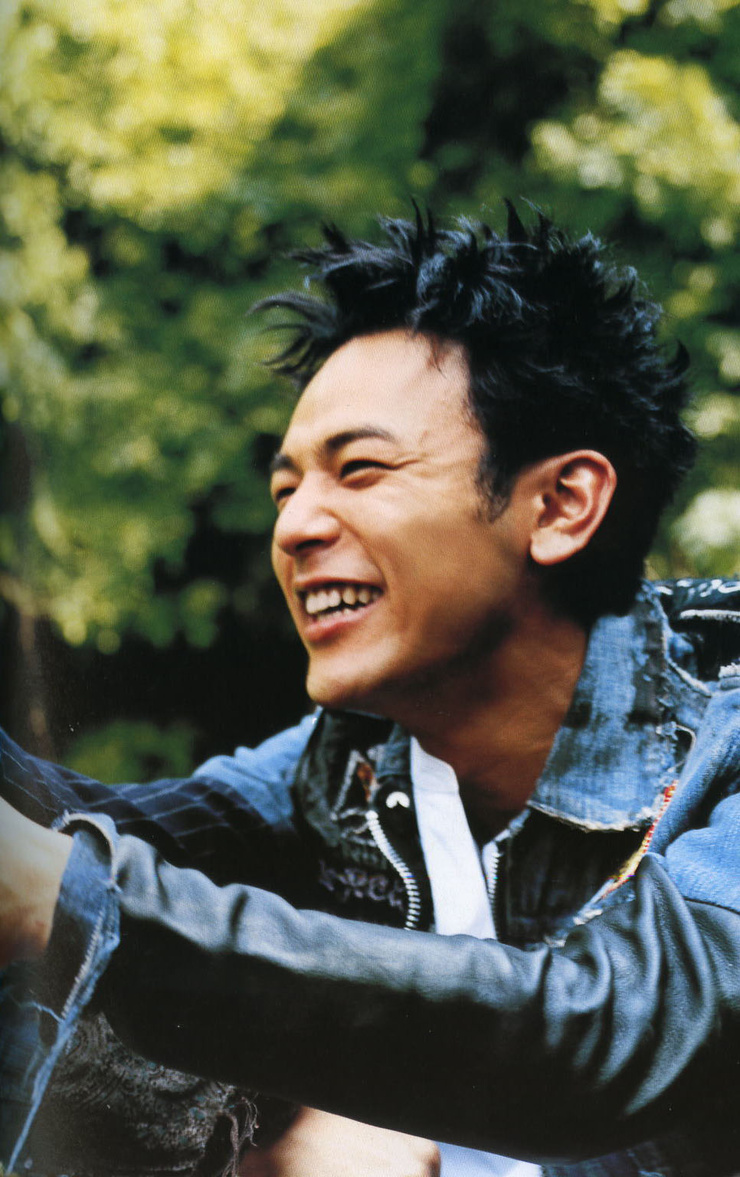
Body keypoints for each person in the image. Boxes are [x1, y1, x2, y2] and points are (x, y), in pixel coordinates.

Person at [1, 206, 740, 1177]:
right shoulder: (349, 762)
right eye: (286, 489)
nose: (296, 527)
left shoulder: (724, 724)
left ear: (561, 504)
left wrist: (61, 899)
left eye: (361, 470)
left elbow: (615, 1032)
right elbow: (75, 827)